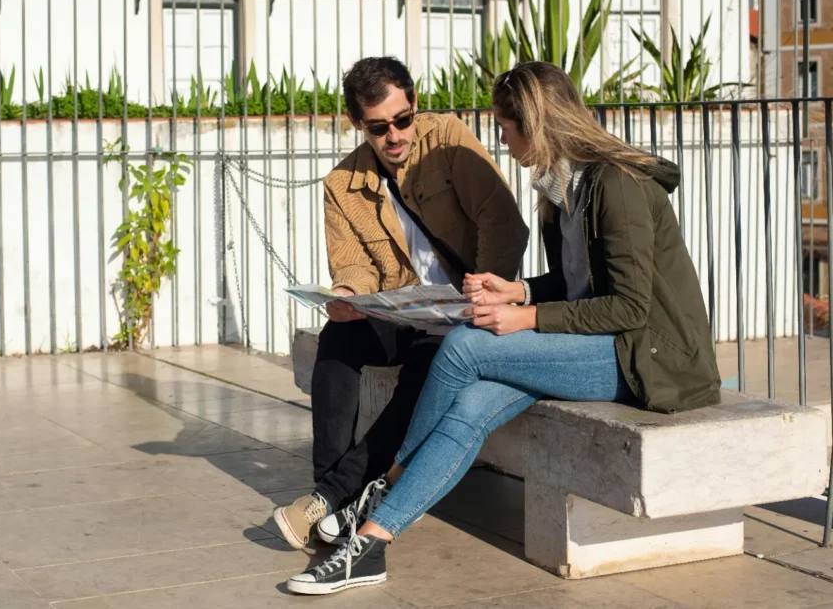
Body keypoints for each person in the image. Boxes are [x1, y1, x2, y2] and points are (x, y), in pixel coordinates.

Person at [285, 60, 722, 595]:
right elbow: (573, 283)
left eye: (505, 126)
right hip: (599, 345)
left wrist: (526, 316)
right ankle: (372, 544)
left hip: (650, 359)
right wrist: (519, 291)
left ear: (534, 123)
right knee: (471, 405)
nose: (501, 138)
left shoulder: (616, 185)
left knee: (465, 347)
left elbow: (630, 308)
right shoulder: (559, 191)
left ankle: (381, 484)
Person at [272, 56, 530, 551]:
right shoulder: (342, 185)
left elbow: (502, 221)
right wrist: (346, 297)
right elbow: (353, 266)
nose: (394, 136)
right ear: (357, 123)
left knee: (430, 367)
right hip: (403, 311)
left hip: (467, 312)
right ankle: (331, 490)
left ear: (414, 103)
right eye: (378, 127)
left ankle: (329, 498)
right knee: (338, 338)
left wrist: (486, 290)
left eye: (402, 119)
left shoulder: (449, 140)